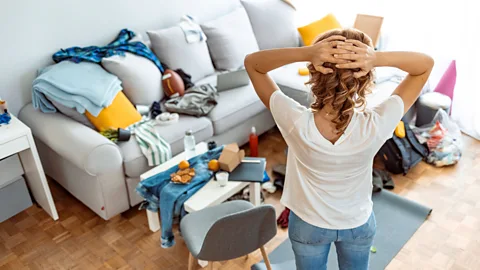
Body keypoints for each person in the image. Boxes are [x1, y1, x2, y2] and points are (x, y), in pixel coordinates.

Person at [244, 28, 433, 270]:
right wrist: (376, 58)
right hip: (357, 224)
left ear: (315, 72)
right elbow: (425, 65)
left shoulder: (293, 120)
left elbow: (253, 63)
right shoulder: (376, 125)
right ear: (364, 77)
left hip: (308, 225)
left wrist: (307, 52)